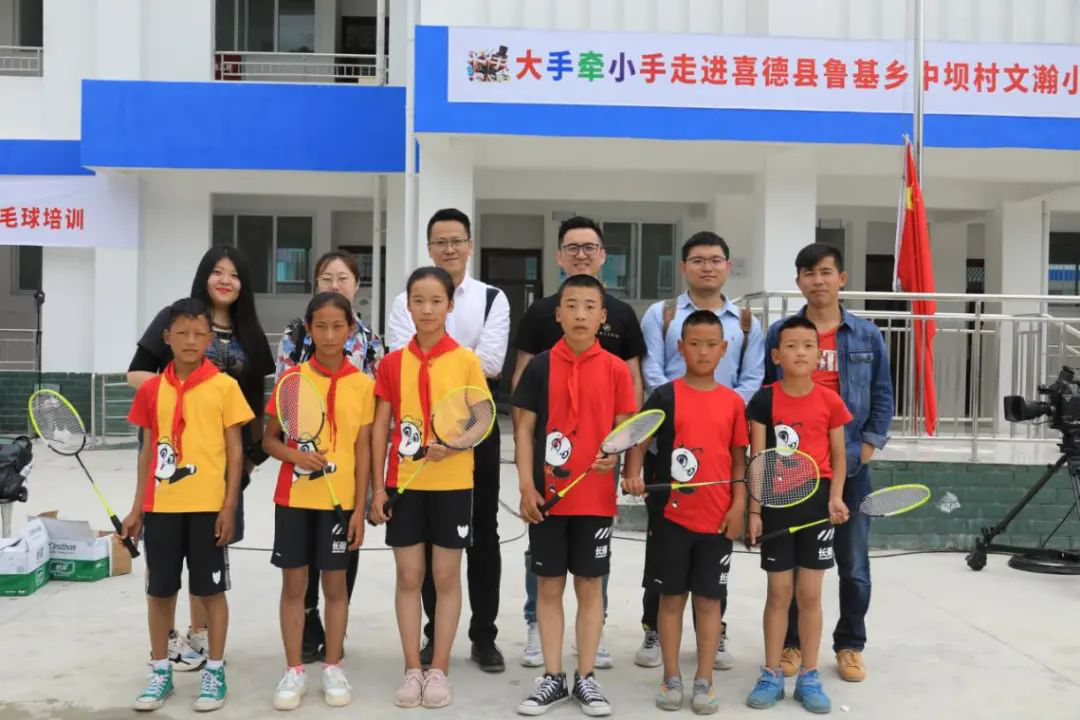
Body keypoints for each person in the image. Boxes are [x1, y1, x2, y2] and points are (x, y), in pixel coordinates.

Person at [126, 246, 274, 672]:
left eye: (234, 274)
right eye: (217, 272)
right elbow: (135, 372)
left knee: (206, 549)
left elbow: (254, 401)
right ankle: (168, 641)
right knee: (166, 553)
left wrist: (250, 460)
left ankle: (201, 634)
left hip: (222, 457)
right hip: (170, 453)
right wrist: (181, 394)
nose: (225, 280)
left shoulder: (250, 332)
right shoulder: (175, 317)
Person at [512, 215, 646, 669]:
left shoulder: (620, 333)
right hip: (548, 485)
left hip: (595, 489)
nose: (581, 314)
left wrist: (624, 458)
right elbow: (524, 417)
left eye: (590, 307)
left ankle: (590, 650)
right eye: (572, 307)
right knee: (546, 576)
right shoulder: (539, 333)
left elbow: (628, 408)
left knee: (591, 578)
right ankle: (540, 636)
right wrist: (526, 482)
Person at [385, 208, 511, 673]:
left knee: (483, 532)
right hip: (419, 433)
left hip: (476, 424)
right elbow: (403, 355)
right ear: (429, 247)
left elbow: (490, 362)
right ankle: (433, 635)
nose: (450, 248)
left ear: (470, 245)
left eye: (457, 240)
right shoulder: (404, 300)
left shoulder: (492, 297)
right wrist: (453, 365)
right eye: (440, 241)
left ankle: (483, 636)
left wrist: (452, 367)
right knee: (424, 539)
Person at [636, 231, 765, 670]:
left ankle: (716, 630)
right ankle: (653, 627)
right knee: (662, 539)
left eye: (715, 260)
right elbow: (652, 369)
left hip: (721, 446)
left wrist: (718, 414)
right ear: (683, 267)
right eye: (698, 260)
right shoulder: (663, 315)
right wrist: (682, 409)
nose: (707, 267)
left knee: (716, 539)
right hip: (668, 443)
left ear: (727, 266)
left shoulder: (745, 322)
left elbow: (752, 378)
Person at [765, 244, 893, 684]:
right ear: (798, 281)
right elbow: (768, 393)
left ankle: (849, 645)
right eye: (808, 273)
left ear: (841, 278)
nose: (817, 280)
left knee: (853, 564)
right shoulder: (781, 332)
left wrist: (868, 447)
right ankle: (793, 644)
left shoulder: (866, 334)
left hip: (849, 465)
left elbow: (883, 393)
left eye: (825, 272)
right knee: (795, 565)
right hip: (794, 469)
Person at [120, 297, 254, 712]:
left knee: (210, 591)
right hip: (162, 509)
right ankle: (160, 670)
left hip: (208, 509)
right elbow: (146, 453)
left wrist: (229, 505)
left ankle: (214, 670)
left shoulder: (225, 387)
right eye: (182, 333)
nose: (190, 341)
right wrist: (137, 508)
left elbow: (235, 452)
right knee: (160, 592)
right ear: (167, 337)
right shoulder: (152, 390)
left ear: (210, 338)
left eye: (199, 333)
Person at [369, 266, 489, 709]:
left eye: (436, 301)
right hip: (404, 484)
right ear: (407, 305)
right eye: (418, 301)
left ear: (450, 305)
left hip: (453, 484)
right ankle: (411, 668)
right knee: (408, 576)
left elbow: (482, 418)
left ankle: (439, 668)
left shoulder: (466, 360)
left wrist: (454, 444)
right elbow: (380, 428)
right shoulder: (391, 364)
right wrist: (377, 488)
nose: (427, 309)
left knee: (445, 577)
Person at [623, 310, 748, 715]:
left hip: (717, 522)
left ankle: (704, 680)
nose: (703, 351)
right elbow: (639, 438)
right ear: (680, 347)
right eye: (694, 344)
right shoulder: (665, 396)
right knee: (671, 599)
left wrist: (739, 506)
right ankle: (671, 676)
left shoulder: (733, 403)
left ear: (724, 349)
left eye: (711, 345)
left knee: (710, 602)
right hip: (671, 519)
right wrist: (632, 473)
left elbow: (739, 462)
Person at [264, 293, 375, 710]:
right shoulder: (291, 381)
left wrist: (359, 508)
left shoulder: (363, 385)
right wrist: (296, 457)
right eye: (321, 327)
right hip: (294, 499)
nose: (329, 335)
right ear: (309, 329)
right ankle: (294, 669)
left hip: (340, 504)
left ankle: (332, 665)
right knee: (294, 586)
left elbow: (364, 451)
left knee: (335, 587)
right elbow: (270, 440)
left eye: (338, 327)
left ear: (351, 331)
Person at [274, 250, 383, 665]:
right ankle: (305, 632)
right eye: (326, 277)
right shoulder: (294, 345)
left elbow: (369, 427)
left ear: (356, 285)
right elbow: (279, 419)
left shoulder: (370, 348)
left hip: (346, 475)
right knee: (298, 575)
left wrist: (365, 495)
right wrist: (298, 450)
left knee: (339, 569)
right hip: (301, 479)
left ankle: (334, 645)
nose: (335, 284)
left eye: (343, 277)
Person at [745, 315, 853, 714]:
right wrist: (754, 511)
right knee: (778, 593)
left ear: (819, 355)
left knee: (810, 595)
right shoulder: (764, 400)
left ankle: (809, 675)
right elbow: (758, 458)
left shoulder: (831, 401)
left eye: (808, 346)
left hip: (817, 507)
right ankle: (771, 673)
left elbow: (839, 457)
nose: (800, 353)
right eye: (791, 346)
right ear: (776, 355)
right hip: (776, 507)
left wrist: (836, 498)